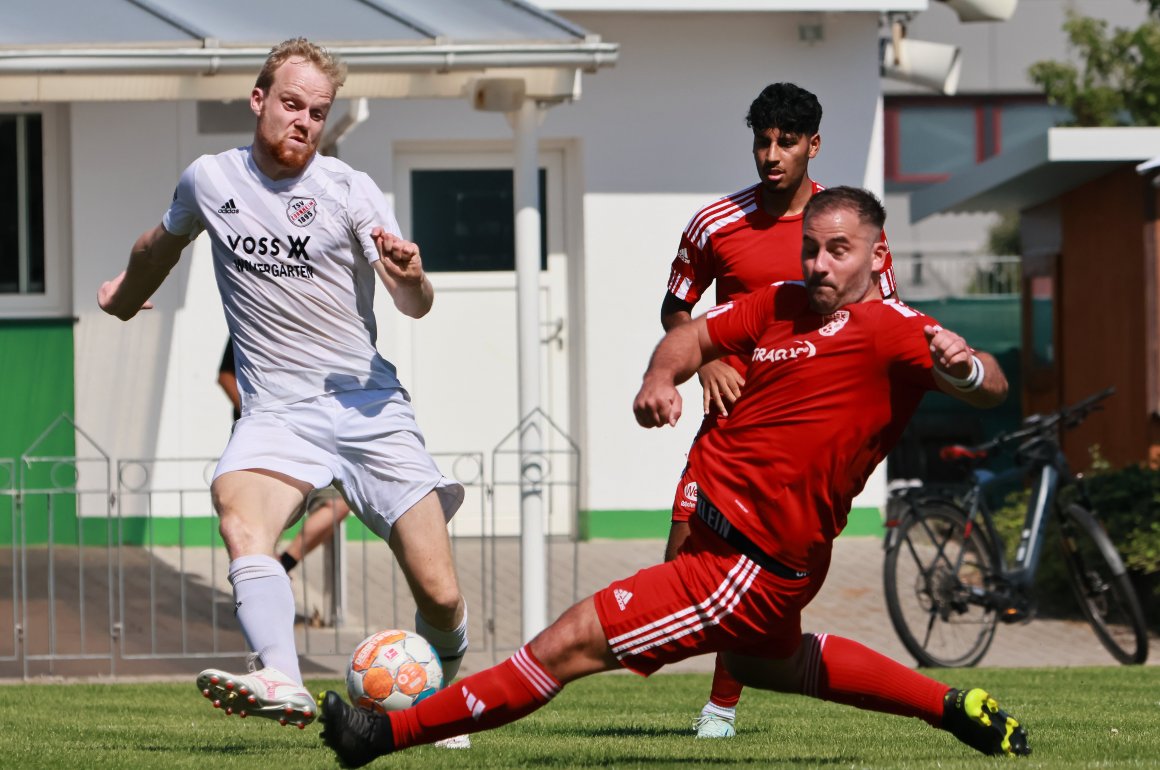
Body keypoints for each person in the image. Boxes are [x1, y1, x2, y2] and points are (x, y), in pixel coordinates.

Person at [316, 186, 1030, 766]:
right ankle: (953, 709)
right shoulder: (779, 303)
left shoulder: (895, 330)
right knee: (771, 667)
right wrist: (662, 378)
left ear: (878, 256)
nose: (818, 264)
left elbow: (992, 384)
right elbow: (691, 334)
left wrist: (964, 367)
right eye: (811, 247)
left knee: (565, 644)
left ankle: (380, 738)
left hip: (744, 564)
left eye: (837, 251)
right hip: (744, 552)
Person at [97, 38, 471, 742]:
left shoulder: (349, 189)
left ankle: (446, 698)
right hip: (278, 414)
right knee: (239, 512)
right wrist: (121, 298)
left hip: (369, 408)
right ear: (259, 100)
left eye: (318, 112)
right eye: (292, 104)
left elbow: (411, 301)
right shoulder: (210, 181)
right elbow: (159, 246)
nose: (304, 121)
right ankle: (281, 676)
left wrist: (413, 275)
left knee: (441, 592)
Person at [663, 82, 899, 738]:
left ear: (812, 146)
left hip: (807, 433)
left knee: (764, 571)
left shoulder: (845, 225)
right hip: (731, 425)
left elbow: (882, 321)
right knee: (681, 563)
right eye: (762, 141)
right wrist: (706, 361)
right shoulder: (716, 224)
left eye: (786, 142)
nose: (771, 154)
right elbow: (676, 307)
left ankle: (721, 707)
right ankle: (748, 666)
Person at [219, 335, 351, 578]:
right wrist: (257, 414)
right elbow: (226, 376)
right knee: (257, 524)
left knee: (337, 505)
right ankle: (261, 580)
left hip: (311, 437)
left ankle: (283, 564)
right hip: (263, 440)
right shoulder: (251, 322)